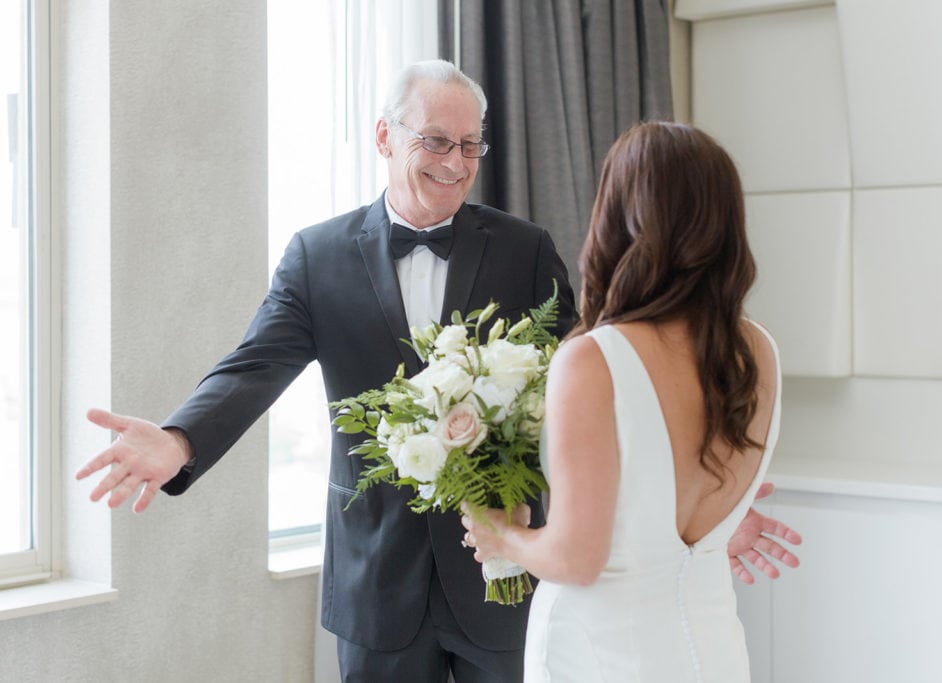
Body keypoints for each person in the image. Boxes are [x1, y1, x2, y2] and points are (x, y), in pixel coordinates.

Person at [77, 61, 797, 682]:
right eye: (435, 141)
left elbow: (617, 386)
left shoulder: (524, 249)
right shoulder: (316, 256)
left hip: (503, 578)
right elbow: (255, 365)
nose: (455, 161)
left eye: (470, 145)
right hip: (375, 581)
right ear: (385, 136)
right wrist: (178, 440)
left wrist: (683, 517)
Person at [461, 121, 784, 682]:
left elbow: (575, 561)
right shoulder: (758, 351)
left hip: (600, 658)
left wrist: (501, 535)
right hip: (712, 655)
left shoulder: (592, 359)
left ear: (620, 216)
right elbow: (686, 503)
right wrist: (726, 525)